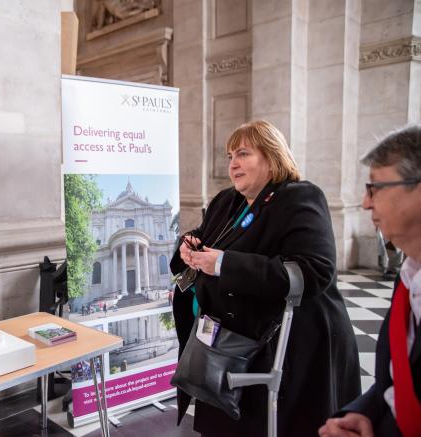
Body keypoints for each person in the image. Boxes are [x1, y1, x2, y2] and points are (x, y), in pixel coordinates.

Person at [170, 120, 361, 436]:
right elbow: (204, 236)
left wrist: (223, 264)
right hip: (226, 342)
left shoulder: (301, 198)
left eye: (243, 153)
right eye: (230, 155)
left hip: (290, 344)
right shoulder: (225, 201)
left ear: (272, 158)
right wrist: (189, 247)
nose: (233, 163)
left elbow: (316, 270)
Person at [319, 125, 421, 437]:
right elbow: (394, 382)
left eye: (374, 188)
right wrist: (362, 412)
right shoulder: (408, 275)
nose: (365, 203)